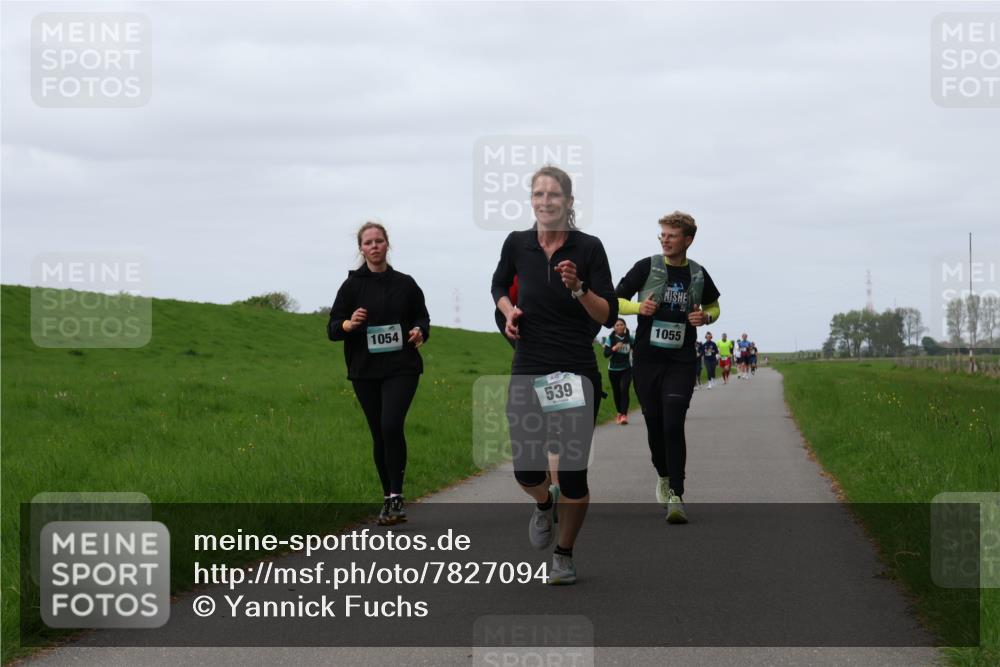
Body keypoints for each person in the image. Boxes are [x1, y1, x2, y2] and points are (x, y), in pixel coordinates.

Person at [491, 165, 617, 585]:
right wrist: (510, 314)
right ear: (532, 201)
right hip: (529, 364)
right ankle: (544, 502)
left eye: (554, 195)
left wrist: (579, 287)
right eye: (539, 194)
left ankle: (564, 553)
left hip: (574, 369)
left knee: (574, 472)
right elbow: (497, 287)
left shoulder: (589, 248)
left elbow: (606, 314)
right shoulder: (517, 244)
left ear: (568, 202)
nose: (546, 202)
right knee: (527, 469)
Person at [615, 211, 721, 524]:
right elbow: (614, 298)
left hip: (681, 359)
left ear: (688, 240)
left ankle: (676, 493)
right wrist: (638, 307)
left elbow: (714, 305)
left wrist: (706, 317)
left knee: (673, 423)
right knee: (654, 423)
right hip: (647, 359)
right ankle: (663, 475)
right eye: (662, 234)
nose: (665, 239)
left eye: (671, 235)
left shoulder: (699, 273)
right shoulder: (646, 266)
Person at [328, 222, 430, 526]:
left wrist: (419, 330)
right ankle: (388, 498)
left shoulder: (405, 283)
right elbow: (333, 328)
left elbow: (421, 316)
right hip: (365, 370)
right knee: (379, 431)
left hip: (402, 367)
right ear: (361, 249)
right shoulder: (351, 287)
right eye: (368, 242)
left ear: (388, 245)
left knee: (391, 424)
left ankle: (397, 495)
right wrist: (350, 324)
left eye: (379, 241)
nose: (374, 246)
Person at [603, 318, 634, 424]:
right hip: (613, 370)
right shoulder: (610, 339)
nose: (619, 327)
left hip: (626, 368)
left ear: (625, 326)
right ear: (614, 328)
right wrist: (614, 348)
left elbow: (637, 349)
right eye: (617, 325)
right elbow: (606, 354)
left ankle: (624, 415)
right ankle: (619, 413)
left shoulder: (630, 338)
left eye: (621, 324)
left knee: (624, 390)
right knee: (617, 392)